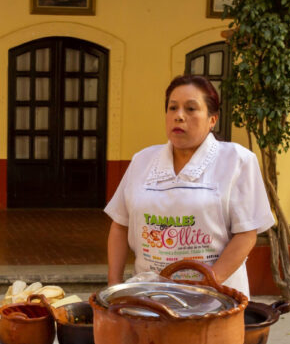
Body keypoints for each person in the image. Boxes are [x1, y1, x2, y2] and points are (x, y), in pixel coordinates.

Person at [104, 75, 274, 297]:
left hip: (217, 298)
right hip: (150, 297)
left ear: (212, 119)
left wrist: (209, 284)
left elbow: (246, 234)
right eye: (172, 108)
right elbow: (120, 225)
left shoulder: (237, 160)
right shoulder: (142, 161)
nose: (179, 116)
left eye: (191, 109)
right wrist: (114, 285)